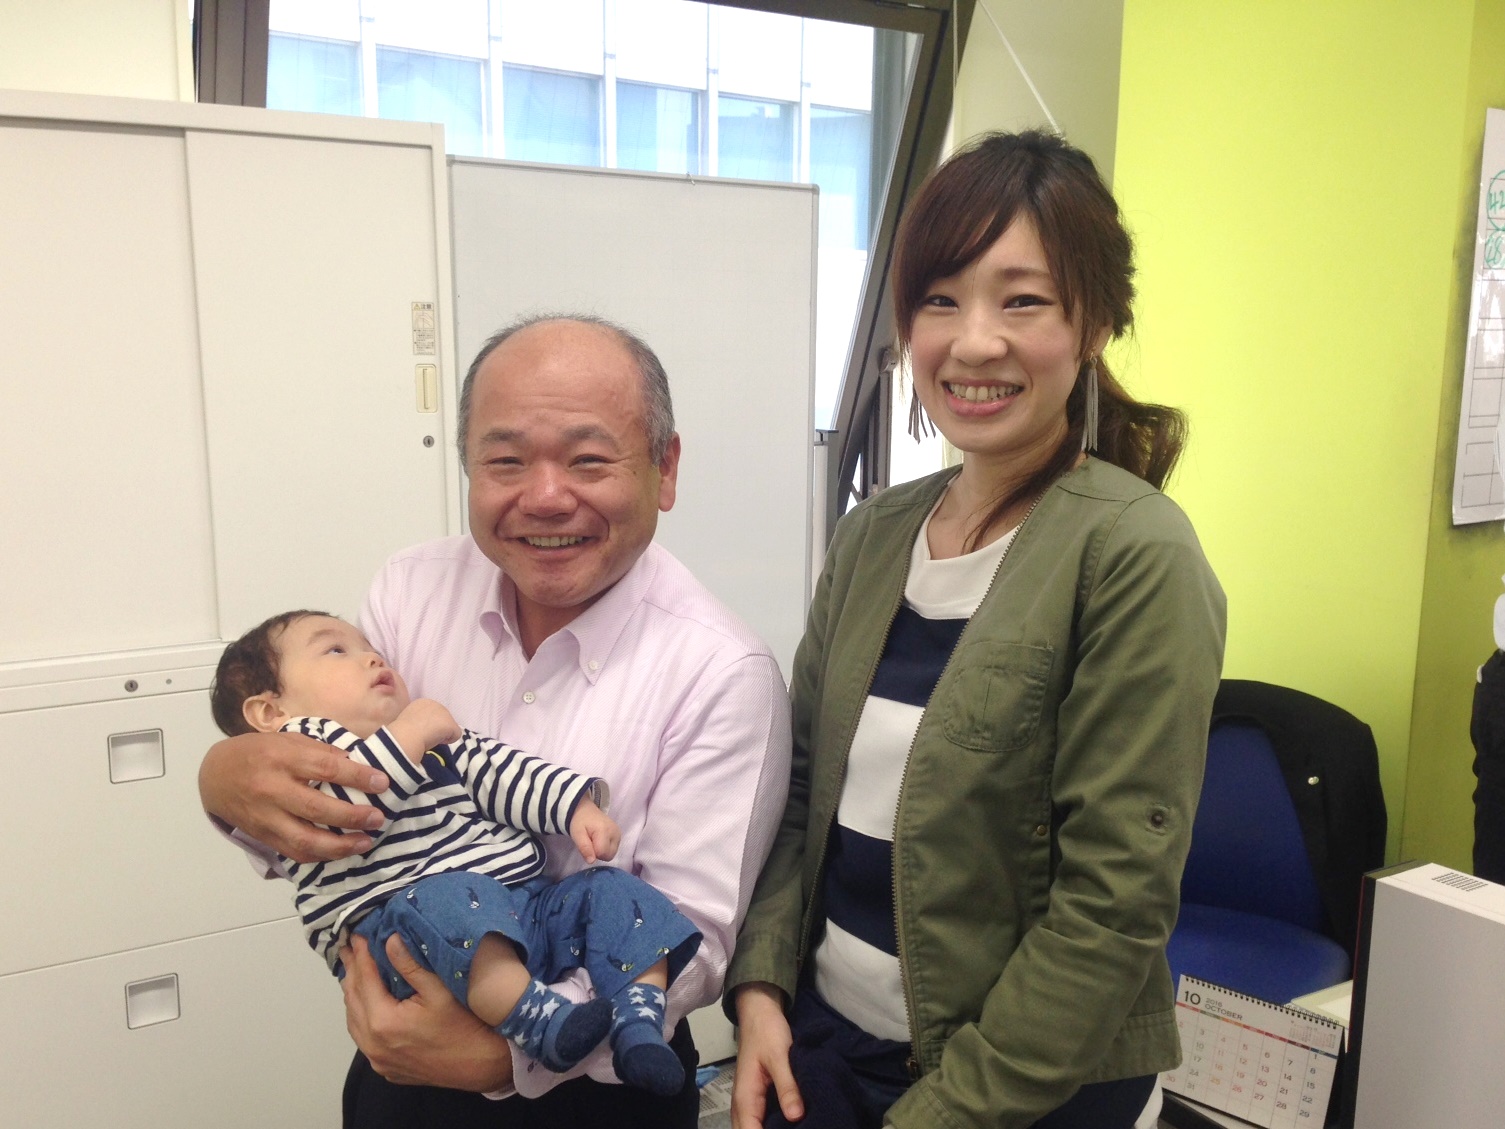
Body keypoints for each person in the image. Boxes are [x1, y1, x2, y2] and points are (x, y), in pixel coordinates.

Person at [726, 130, 1227, 1129]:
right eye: (940, 299)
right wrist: (762, 988)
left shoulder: (1132, 554)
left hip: (1023, 1091)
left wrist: (941, 1112)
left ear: (1093, 323)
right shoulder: (874, 532)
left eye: (1022, 300)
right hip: (825, 1049)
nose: (973, 342)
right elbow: (800, 791)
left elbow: (1110, 907)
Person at [198, 314, 792, 1129]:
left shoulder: (722, 669)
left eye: (588, 459)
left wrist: (506, 1055)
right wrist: (225, 777)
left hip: (603, 1085)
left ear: (664, 467)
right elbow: (334, 793)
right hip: (402, 1056)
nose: (544, 496)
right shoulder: (409, 589)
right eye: (505, 461)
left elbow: (693, 932)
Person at [209, 609, 702, 1095]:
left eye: (371, 648)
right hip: (407, 935)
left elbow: (502, 773)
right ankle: (540, 1023)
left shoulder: (430, 740)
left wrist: (573, 808)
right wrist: (410, 734)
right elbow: (346, 811)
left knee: (611, 889)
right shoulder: (298, 770)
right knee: (445, 896)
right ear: (271, 713)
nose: (373, 658)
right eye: (336, 650)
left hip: (517, 912)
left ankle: (638, 1018)